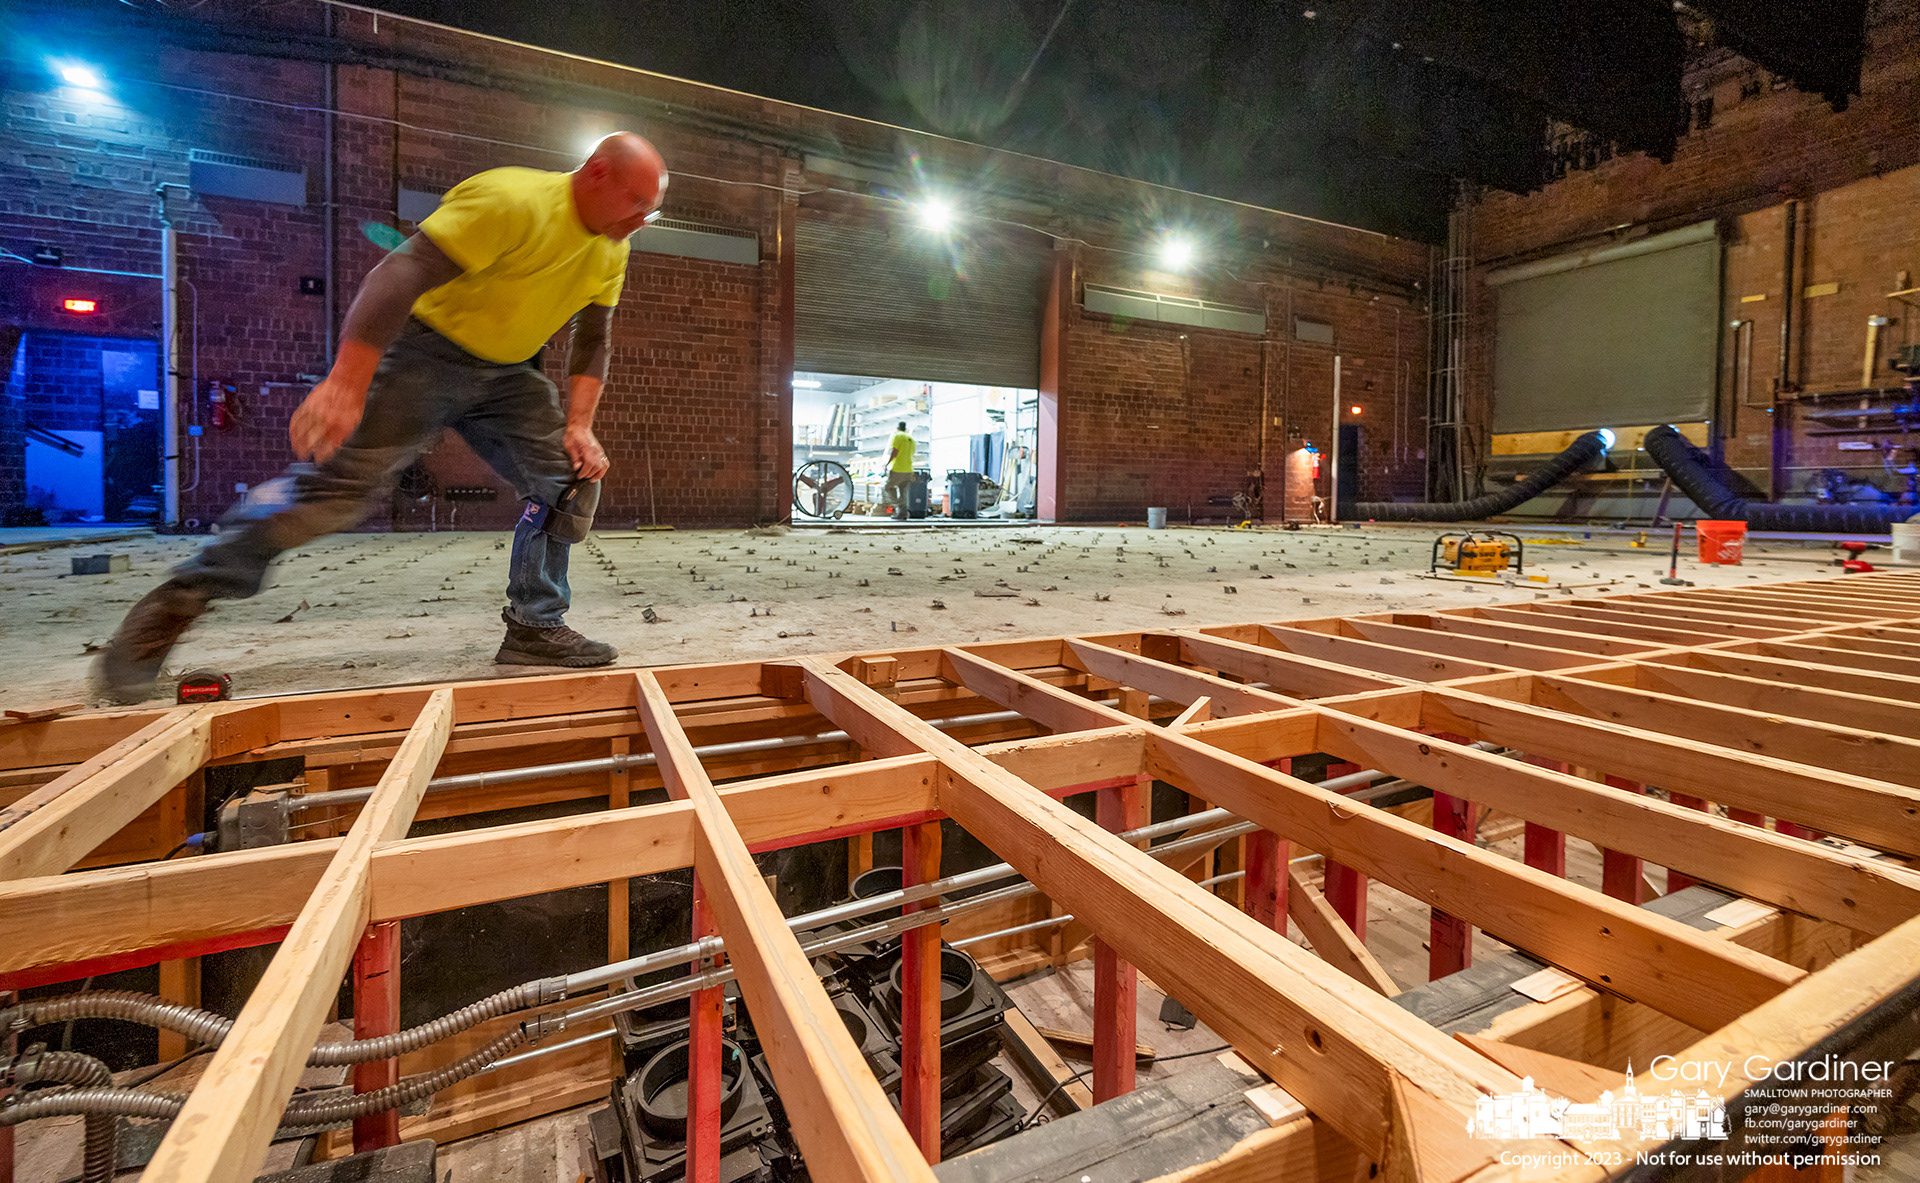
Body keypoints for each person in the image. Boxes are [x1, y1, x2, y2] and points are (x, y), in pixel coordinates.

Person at [93, 133, 669, 701]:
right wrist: (347, 381)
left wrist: (579, 425)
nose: (642, 220)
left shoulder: (612, 244)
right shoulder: (511, 201)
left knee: (568, 479)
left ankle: (535, 627)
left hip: (508, 375)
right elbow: (400, 272)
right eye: (636, 204)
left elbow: (594, 337)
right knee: (333, 495)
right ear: (596, 173)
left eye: (652, 210)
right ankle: (176, 604)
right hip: (425, 354)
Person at [881, 420, 915, 516]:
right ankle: (903, 513)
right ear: (905, 429)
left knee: (887, 488)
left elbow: (895, 451)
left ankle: (898, 506)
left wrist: (887, 463)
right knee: (903, 490)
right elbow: (912, 453)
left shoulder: (897, 436)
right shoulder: (911, 438)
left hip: (898, 469)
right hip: (908, 469)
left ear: (898, 428)